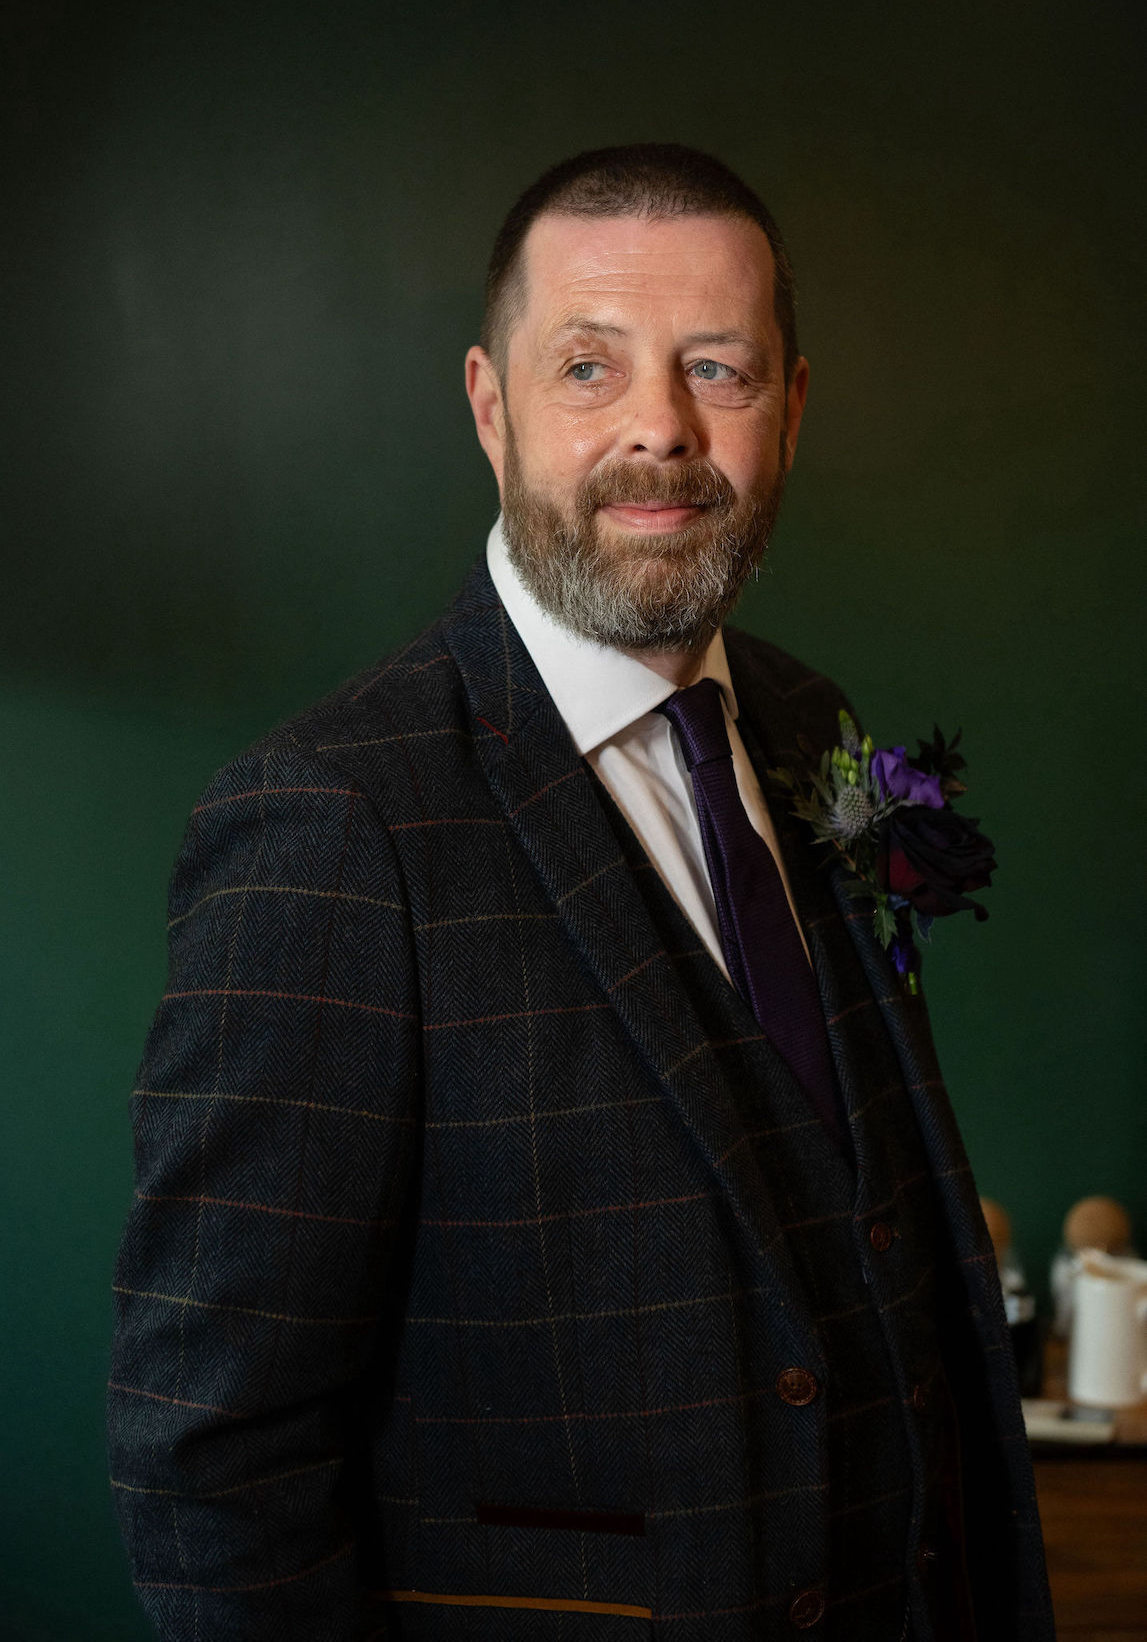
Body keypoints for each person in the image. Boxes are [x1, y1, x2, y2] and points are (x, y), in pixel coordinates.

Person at [108, 145, 1054, 1641]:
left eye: (718, 372)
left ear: (793, 408)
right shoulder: (327, 822)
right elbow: (214, 1451)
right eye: (590, 368)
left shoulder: (816, 734)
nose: (659, 432)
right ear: (491, 408)